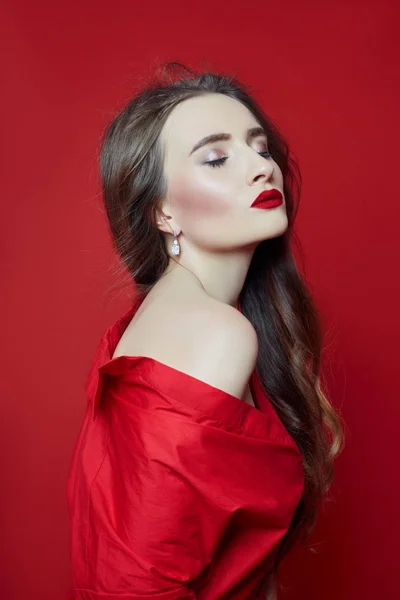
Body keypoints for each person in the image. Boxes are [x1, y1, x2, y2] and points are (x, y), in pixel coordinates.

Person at [65, 61, 345, 599]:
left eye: (261, 149)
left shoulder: (159, 314)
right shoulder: (217, 332)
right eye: (217, 158)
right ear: (163, 212)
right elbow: (136, 582)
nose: (261, 169)